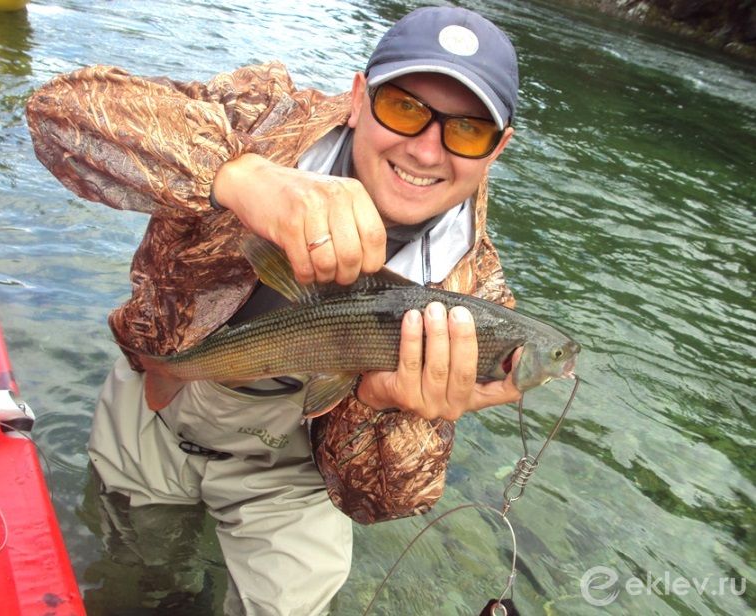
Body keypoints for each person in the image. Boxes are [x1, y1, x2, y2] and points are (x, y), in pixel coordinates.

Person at [27, 6, 522, 615]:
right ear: (358, 98)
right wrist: (239, 177)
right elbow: (57, 111)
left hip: (292, 465)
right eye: (404, 108)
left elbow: (379, 501)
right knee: (131, 569)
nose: (425, 149)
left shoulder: (478, 297)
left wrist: (385, 406)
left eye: (467, 131)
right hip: (155, 398)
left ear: (497, 149)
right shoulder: (266, 115)